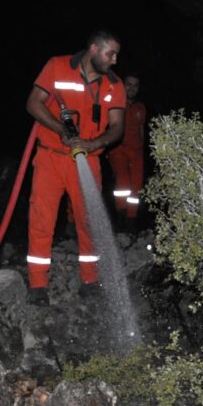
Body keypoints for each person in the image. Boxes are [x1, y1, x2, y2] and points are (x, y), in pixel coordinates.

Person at [25, 30, 127, 305]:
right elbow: (33, 103)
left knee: (88, 219)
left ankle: (90, 280)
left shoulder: (113, 86)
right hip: (50, 157)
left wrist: (95, 143)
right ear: (94, 49)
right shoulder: (57, 66)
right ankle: (37, 284)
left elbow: (117, 128)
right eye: (111, 53)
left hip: (88, 159)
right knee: (41, 218)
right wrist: (60, 129)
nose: (115, 60)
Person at [107, 74, 146, 229]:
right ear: (123, 85)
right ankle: (121, 217)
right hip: (118, 149)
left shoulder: (140, 107)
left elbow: (141, 129)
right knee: (123, 184)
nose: (131, 88)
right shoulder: (116, 103)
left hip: (136, 151)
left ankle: (131, 219)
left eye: (135, 85)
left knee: (136, 186)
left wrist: (141, 149)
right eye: (128, 84)